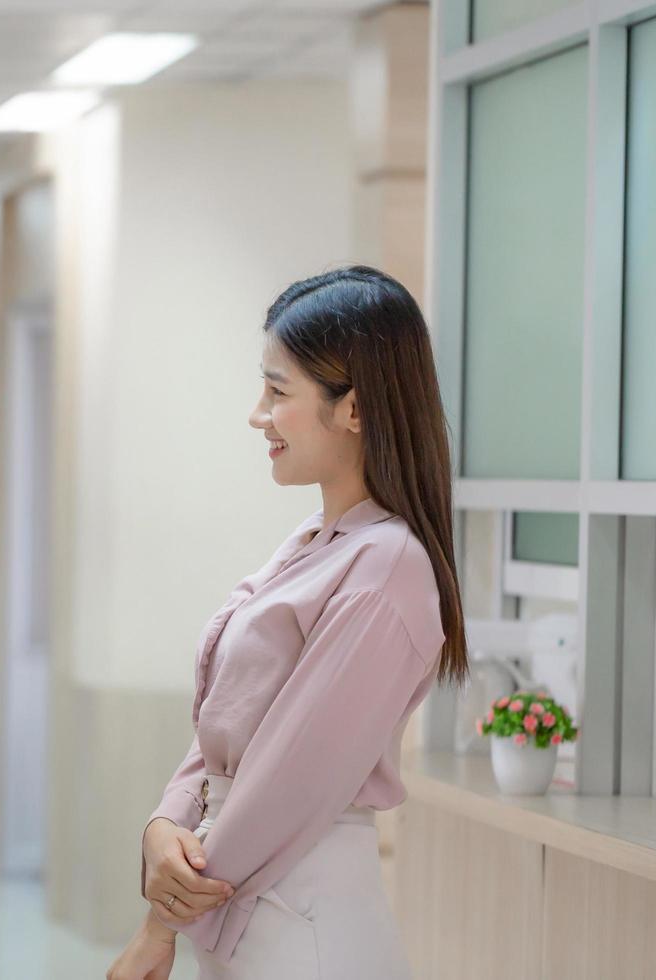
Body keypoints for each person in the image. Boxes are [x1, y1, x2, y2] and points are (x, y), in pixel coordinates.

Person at [108, 266, 467, 980]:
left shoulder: (389, 565)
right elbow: (227, 726)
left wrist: (160, 922)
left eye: (278, 392)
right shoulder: (316, 541)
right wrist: (163, 824)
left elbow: (288, 777)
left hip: (305, 925)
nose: (257, 414)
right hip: (253, 906)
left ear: (355, 409)